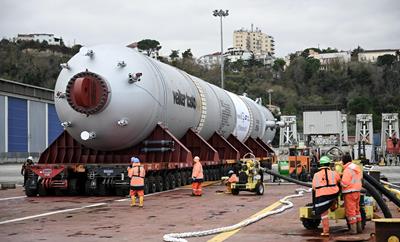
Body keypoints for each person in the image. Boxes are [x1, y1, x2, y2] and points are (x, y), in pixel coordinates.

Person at [312, 155, 341, 237]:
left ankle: (326, 231)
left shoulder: (316, 175)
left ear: (320, 165)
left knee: (324, 214)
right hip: (333, 194)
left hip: (322, 196)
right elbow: (339, 180)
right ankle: (333, 205)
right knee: (335, 195)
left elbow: (314, 188)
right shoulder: (334, 173)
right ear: (329, 164)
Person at [341, 153, 363, 234]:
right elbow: (360, 178)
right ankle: (359, 228)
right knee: (357, 211)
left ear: (344, 161)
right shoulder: (357, 167)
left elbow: (345, 183)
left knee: (350, 212)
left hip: (349, 192)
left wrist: (339, 181)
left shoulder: (347, 170)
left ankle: (353, 230)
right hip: (357, 191)